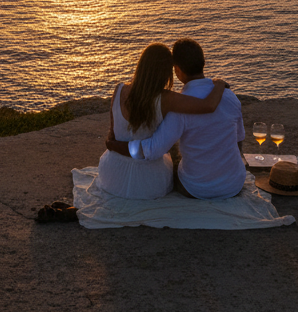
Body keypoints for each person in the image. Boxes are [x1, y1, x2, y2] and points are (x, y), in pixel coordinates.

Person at [105, 39, 246, 200]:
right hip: (235, 183)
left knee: (172, 157)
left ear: (177, 70)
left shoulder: (179, 106)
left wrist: (115, 145)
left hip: (196, 189)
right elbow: (238, 139)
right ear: (203, 62)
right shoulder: (230, 97)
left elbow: (151, 150)